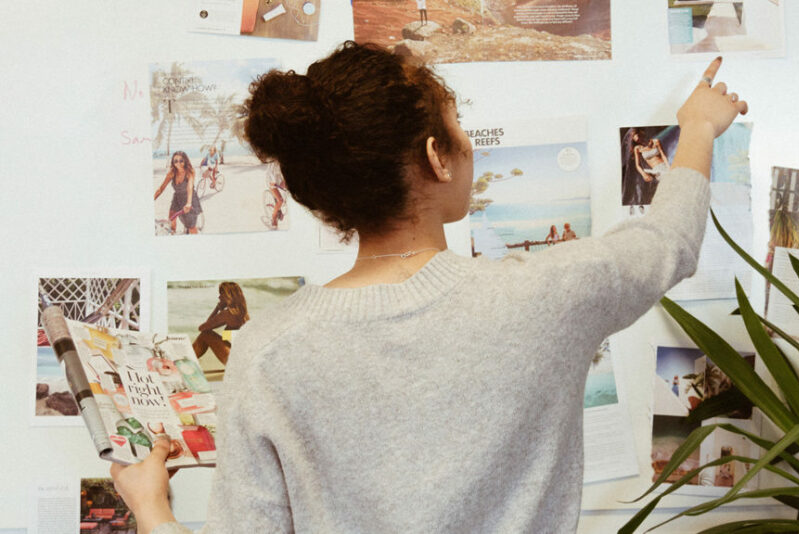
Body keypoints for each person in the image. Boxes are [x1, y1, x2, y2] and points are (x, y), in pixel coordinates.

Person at [111, 42, 747, 534]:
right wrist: (696, 127)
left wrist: (151, 511)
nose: (468, 144)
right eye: (458, 128)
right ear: (439, 158)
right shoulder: (546, 295)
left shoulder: (266, 351)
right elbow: (669, 243)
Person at [191, 282, 250, 367]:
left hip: (234, 361)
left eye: (221, 294)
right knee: (207, 334)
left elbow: (202, 328)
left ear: (228, 295)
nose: (219, 297)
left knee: (206, 334)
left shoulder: (228, 313)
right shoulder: (244, 314)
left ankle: (188, 360)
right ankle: (189, 359)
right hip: (244, 359)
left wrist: (217, 308)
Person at [153, 151, 202, 235]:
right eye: (175, 161)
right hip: (177, 198)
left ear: (185, 161)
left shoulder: (190, 172)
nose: (178, 163)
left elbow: (189, 188)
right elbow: (161, 188)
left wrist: (189, 203)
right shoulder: (172, 172)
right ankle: (173, 234)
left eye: (181, 161)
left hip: (190, 199)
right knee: (171, 219)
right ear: (173, 162)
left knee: (191, 227)